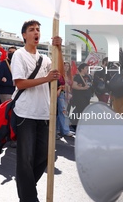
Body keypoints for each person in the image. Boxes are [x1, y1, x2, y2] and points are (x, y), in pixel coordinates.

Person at [11, 19, 63, 202]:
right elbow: (20, 82)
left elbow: (60, 76)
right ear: (24, 35)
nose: (36, 32)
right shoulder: (19, 55)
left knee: (44, 156)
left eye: (38, 30)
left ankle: (27, 189)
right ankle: (29, 198)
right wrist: (46, 78)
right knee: (25, 159)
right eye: (32, 30)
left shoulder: (46, 59)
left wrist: (59, 50)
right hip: (25, 113)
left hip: (44, 113)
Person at [70, 63, 93, 130]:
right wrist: (83, 88)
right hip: (79, 98)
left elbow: (90, 85)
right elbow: (74, 86)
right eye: (86, 68)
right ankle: (75, 126)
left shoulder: (88, 77)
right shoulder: (77, 77)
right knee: (80, 112)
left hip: (87, 97)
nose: (87, 69)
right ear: (82, 69)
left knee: (85, 112)